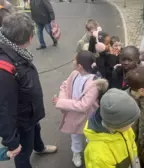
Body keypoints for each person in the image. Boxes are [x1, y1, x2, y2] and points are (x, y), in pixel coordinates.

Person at [0, 12, 57, 168]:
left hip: (29, 112)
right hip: (22, 119)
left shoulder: (11, 49)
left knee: (35, 129)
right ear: (30, 38)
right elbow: (4, 109)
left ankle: (39, 147)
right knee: (23, 153)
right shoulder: (4, 69)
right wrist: (11, 142)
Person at [53, 51, 108, 167]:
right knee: (75, 134)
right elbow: (64, 85)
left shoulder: (94, 83)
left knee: (90, 134)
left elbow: (84, 105)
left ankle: (92, 151)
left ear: (80, 66)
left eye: (74, 60)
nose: (73, 62)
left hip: (88, 115)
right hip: (73, 113)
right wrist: (62, 100)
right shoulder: (74, 74)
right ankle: (76, 152)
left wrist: (61, 102)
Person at [84, 88, 141, 168]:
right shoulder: (98, 155)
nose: (133, 123)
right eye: (130, 122)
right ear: (117, 124)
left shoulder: (124, 129)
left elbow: (132, 145)